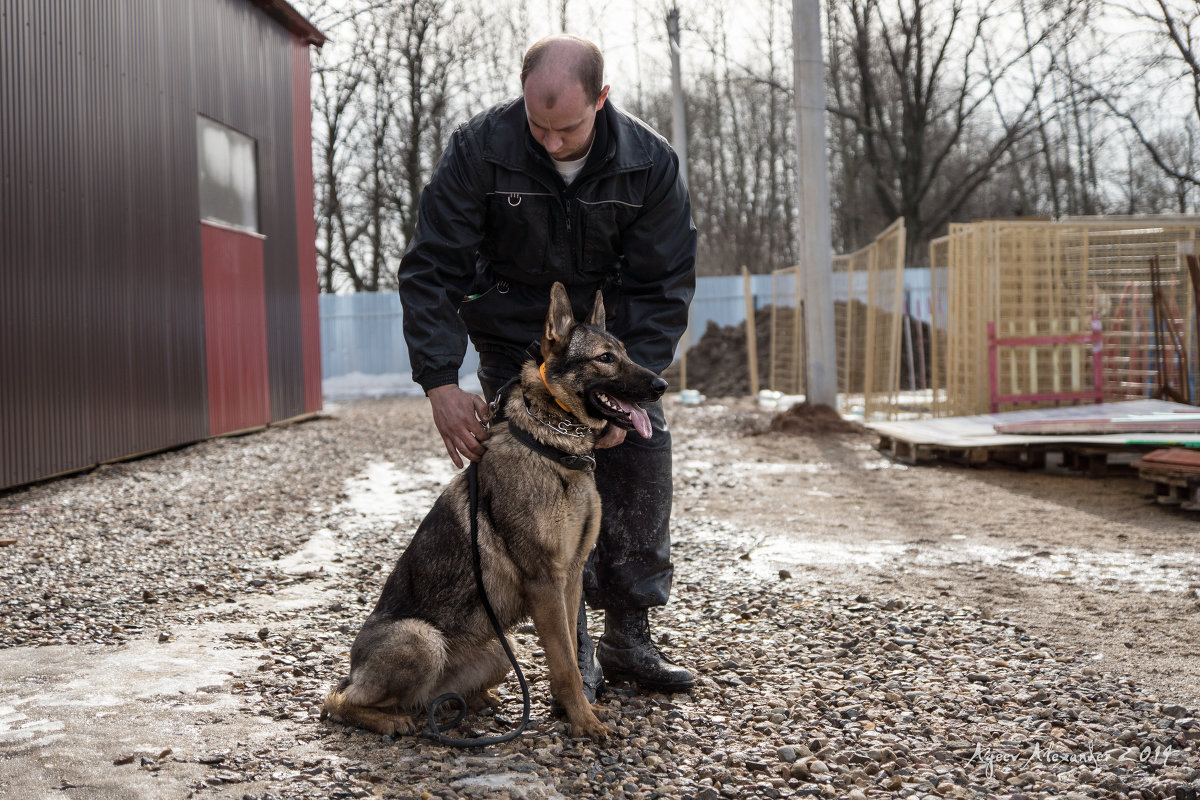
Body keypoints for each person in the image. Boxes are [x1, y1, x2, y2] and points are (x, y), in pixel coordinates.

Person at [396, 33, 696, 700]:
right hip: (513, 341)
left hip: (608, 346)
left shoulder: (649, 162)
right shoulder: (479, 150)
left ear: (602, 99)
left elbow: (662, 287)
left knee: (643, 457)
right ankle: (575, 652)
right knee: (533, 489)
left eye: (566, 129)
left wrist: (627, 397)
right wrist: (440, 381)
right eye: (537, 126)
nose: (551, 143)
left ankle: (629, 635)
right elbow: (432, 269)